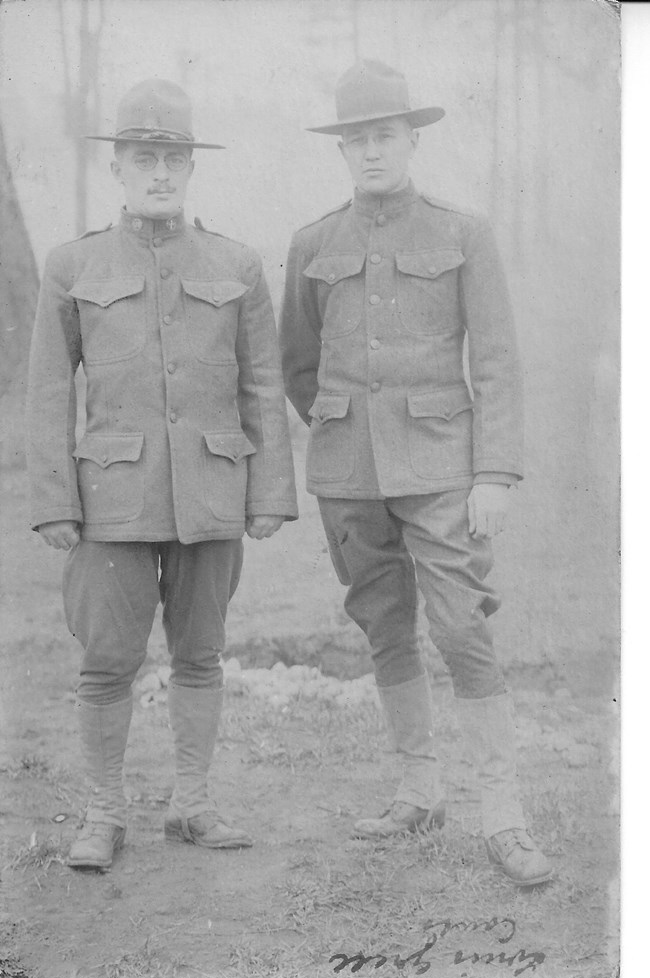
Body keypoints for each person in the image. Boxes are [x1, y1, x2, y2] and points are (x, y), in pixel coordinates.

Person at [279, 60, 551, 886]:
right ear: (343, 148)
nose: (370, 152)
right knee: (384, 626)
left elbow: (497, 361)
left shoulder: (462, 233)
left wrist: (494, 472)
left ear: (412, 139)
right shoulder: (313, 243)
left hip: (443, 469)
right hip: (349, 475)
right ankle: (419, 787)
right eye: (356, 139)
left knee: (463, 626)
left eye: (384, 136)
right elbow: (298, 364)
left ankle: (502, 811)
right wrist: (338, 433)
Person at [26, 79, 298, 871]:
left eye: (173, 158)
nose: (159, 174)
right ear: (117, 166)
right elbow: (48, 392)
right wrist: (54, 500)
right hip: (110, 500)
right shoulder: (72, 263)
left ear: (190, 167)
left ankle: (192, 803)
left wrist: (271, 493)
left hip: (210, 494)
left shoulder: (236, 262)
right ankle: (104, 813)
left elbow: (262, 384)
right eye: (143, 158)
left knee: (201, 654)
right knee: (107, 659)